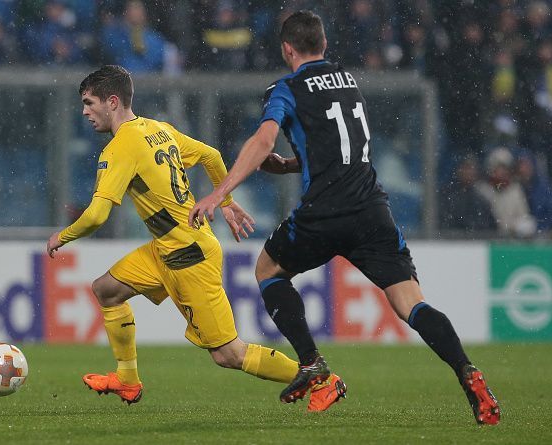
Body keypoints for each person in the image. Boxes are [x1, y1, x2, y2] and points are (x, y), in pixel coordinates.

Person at [190, 10, 500, 424]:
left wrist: (219, 192)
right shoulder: (348, 82)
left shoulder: (286, 88)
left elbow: (263, 138)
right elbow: (336, 149)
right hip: (371, 209)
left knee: (268, 270)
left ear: (286, 49)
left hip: (325, 211)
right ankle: (468, 371)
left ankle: (312, 363)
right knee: (411, 304)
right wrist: (283, 165)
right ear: (324, 45)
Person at [46, 65, 304, 407]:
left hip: (188, 255)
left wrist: (62, 236)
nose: (84, 111)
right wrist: (224, 201)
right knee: (106, 290)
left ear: (111, 101)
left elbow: (96, 216)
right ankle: (127, 380)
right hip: (167, 248)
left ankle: (318, 376)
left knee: (228, 354)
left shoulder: (120, 147)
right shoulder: (158, 129)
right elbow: (211, 155)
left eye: (89, 103)